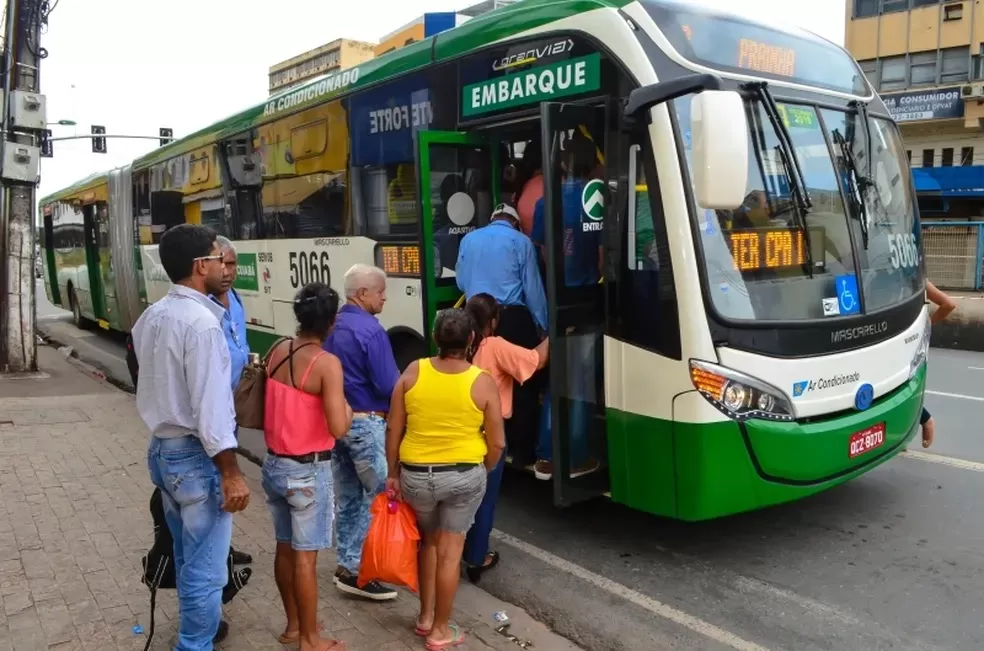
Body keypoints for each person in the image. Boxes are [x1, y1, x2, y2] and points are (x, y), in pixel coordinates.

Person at [133, 224, 251, 650]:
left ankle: (197, 632)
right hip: (197, 458)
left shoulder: (153, 315)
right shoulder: (202, 325)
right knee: (206, 569)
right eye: (220, 258)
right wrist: (231, 473)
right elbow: (212, 411)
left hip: (163, 451)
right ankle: (194, 644)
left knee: (186, 554)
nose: (226, 267)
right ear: (202, 265)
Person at [385, 308, 506, 651]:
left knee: (429, 543)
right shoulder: (481, 381)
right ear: (471, 339)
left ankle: (424, 617)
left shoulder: (413, 371)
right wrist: (484, 468)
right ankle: (440, 630)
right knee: (451, 554)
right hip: (463, 475)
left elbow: (394, 427)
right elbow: (497, 442)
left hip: (416, 475)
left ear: (435, 338)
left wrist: (392, 473)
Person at [263, 282, 352, 651]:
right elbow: (339, 427)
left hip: (274, 465)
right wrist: (347, 409)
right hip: (307, 472)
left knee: (284, 548)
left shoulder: (278, 349)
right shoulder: (326, 364)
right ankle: (311, 640)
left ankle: (294, 626)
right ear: (331, 323)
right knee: (306, 559)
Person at [323, 264, 400, 601]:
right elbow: (388, 384)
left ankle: (346, 563)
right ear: (362, 293)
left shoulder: (332, 324)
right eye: (381, 291)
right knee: (379, 494)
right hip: (366, 424)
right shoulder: (371, 331)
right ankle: (360, 571)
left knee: (349, 496)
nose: (384, 298)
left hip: (336, 422)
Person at [531, 132, 603, 480]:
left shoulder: (546, 203)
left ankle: (547, 455)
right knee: (581, 382)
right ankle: (576, 456)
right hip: (589, 299)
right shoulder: (599, 197)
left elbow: (546, 254)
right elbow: (603, 257)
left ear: (562, 163)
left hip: (557, 297)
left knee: (557, 377)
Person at [462, 294, 548, 584]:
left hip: (460, 432)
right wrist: (558, 331)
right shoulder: (494, 346)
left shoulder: (457, 345)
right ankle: (476, 558)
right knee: (484, 500)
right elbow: (535, 361)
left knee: (460, 499)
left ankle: (453, 550)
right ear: (494, 321)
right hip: (488, 435)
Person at [456, 203, 547, 465]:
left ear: (492, 218)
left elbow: (461, 282)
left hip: (475, 315)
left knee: (484, 380)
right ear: (516, 223)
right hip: (511, 317)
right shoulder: (521, 241)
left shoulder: (469, 240)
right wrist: (544, 326)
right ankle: (522, 452)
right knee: (524, 384)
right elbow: (532, 288)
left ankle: (491, 444)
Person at [210, 235, 254, 568]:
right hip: (214, 409)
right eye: (221, 263)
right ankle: (215, 551)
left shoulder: (235, 298)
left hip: (234, 404)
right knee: (215, 477)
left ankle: (223, 545)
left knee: (222, 481)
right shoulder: (203, 305)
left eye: (232, 263)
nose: (227, 271)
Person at [920, 280, 956, 448]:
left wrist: (928, 322)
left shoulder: (911, 275)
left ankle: (925, 419)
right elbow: (948, 305)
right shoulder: (910, 272)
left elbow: (949, 304)